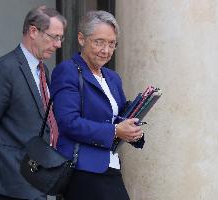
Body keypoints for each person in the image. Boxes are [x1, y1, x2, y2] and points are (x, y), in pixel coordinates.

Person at [0, 6, 66, 200]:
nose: (58, 44)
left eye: (61, 38)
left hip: (38, 174)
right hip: (14, 176)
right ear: (33, 31)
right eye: (54, 37)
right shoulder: (5, 69)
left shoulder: (44, 70)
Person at [50, 10, 143, 200]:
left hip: (110, 167)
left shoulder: (112, 77)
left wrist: (134, 130)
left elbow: (119, 117)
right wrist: (115, 131)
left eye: (111, 44)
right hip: (82, 170)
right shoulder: (67, 71)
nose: (106, 50)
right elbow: (68, 122)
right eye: (99, 42)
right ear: (82, 39)